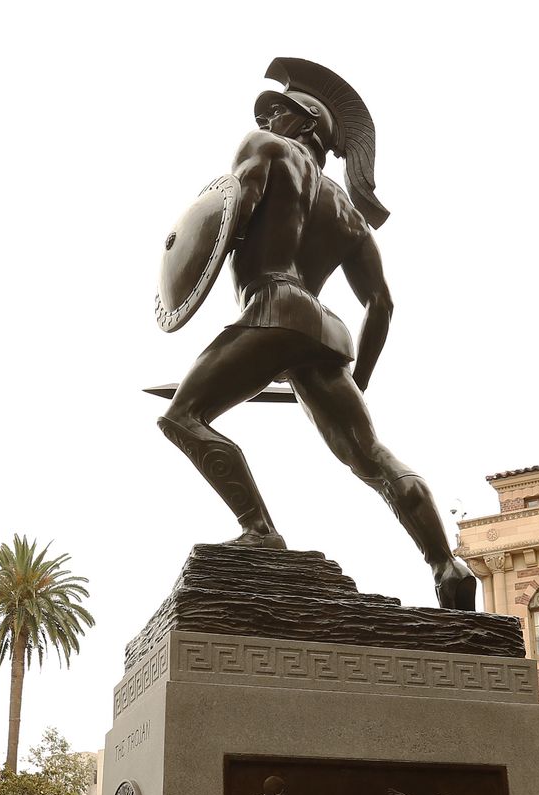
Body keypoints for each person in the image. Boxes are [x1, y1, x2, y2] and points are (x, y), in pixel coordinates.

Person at [154, 59, 475, 611]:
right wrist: (361, 379)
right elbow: (381, 304)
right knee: (369, 455)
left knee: (181, 417)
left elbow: (239, 208)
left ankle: (260, 532)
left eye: (279, 110)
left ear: (306, 125)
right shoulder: (347, 210)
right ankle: (447, 565)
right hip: (323, 330)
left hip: (273, 307)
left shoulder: (264, 148)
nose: (268, 117)